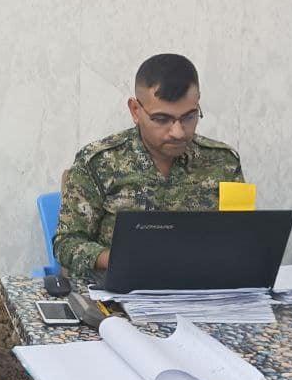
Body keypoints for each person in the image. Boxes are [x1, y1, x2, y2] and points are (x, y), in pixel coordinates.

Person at [55, 54, 244, 278]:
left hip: (202, 288)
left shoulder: (223, 162)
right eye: (162, 119)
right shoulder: (98, 162)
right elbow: (66, 244)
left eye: (189, 117)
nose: (178, 132)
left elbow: (242, 238)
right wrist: (121, 258)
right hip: (121, 289)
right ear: (135, 110)